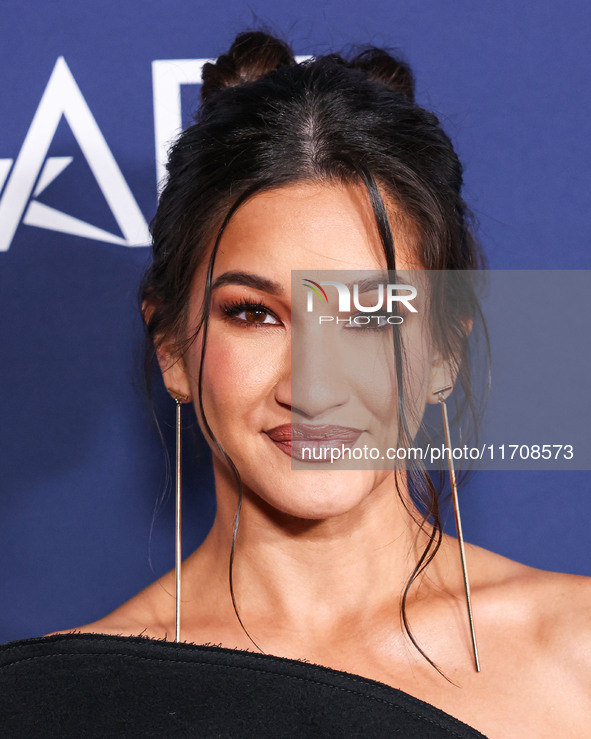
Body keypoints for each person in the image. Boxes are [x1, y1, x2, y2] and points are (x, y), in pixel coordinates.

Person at [2, 30, 591, 739]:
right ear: (171, 348)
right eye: (254, 313)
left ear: (441, 352)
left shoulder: (577, 653)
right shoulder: (56, 703)